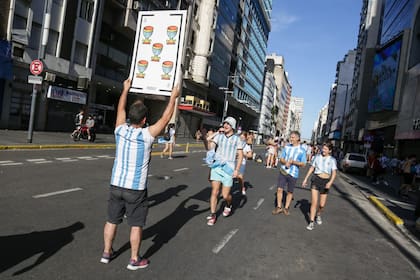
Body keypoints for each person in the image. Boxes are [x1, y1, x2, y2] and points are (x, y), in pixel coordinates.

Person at [101, 78, 179, 270]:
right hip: (135, 189)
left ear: (130, 117)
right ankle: (134, 259)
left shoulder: (120, 130)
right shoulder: (147, 135)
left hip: (116, 184)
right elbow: (166, 118)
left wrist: (125, 89)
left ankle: (106, 252)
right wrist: (173, 97)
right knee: (136, 224)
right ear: (144, 120)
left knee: (112, 220)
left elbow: (120, 110)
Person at [206, 116, 244, 226]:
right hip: (217, 167)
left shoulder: (237, 139)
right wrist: (215, 134)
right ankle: (213, 214)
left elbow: (240, 156)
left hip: (229, 169)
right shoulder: (219, 136)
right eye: (224, 124)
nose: (225, 126)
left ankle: (228, 204)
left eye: (228, 124)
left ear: (232, 126)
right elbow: (210, 146)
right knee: (214, 192)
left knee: (225, 194)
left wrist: (237, 170)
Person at [302, 142, 337, 230]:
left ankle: (318, 214)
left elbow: (334, 173)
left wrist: (330, 183)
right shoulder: (317, 157)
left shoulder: (332, 160)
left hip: (325, 181)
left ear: (330, 151)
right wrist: (305, 179)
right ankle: (311, 222)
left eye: (325, 149)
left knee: (322, 205)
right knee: (314, 202)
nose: (323, 150)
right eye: (323, 148)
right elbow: (311, 168)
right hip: (316, 179)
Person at [272, 131, 307, 216]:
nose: (291, 139)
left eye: (293, 137)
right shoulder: (287, 147)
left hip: (294, 173)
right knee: (279, 189)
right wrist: (286, 162)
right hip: (283, 171)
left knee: (290, 192)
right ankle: (279, 207)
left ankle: (286, 208)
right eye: (290, 137)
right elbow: (281, 158)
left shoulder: (302, 150)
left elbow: (303, 164)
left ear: (298, 138)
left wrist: (293, 162)